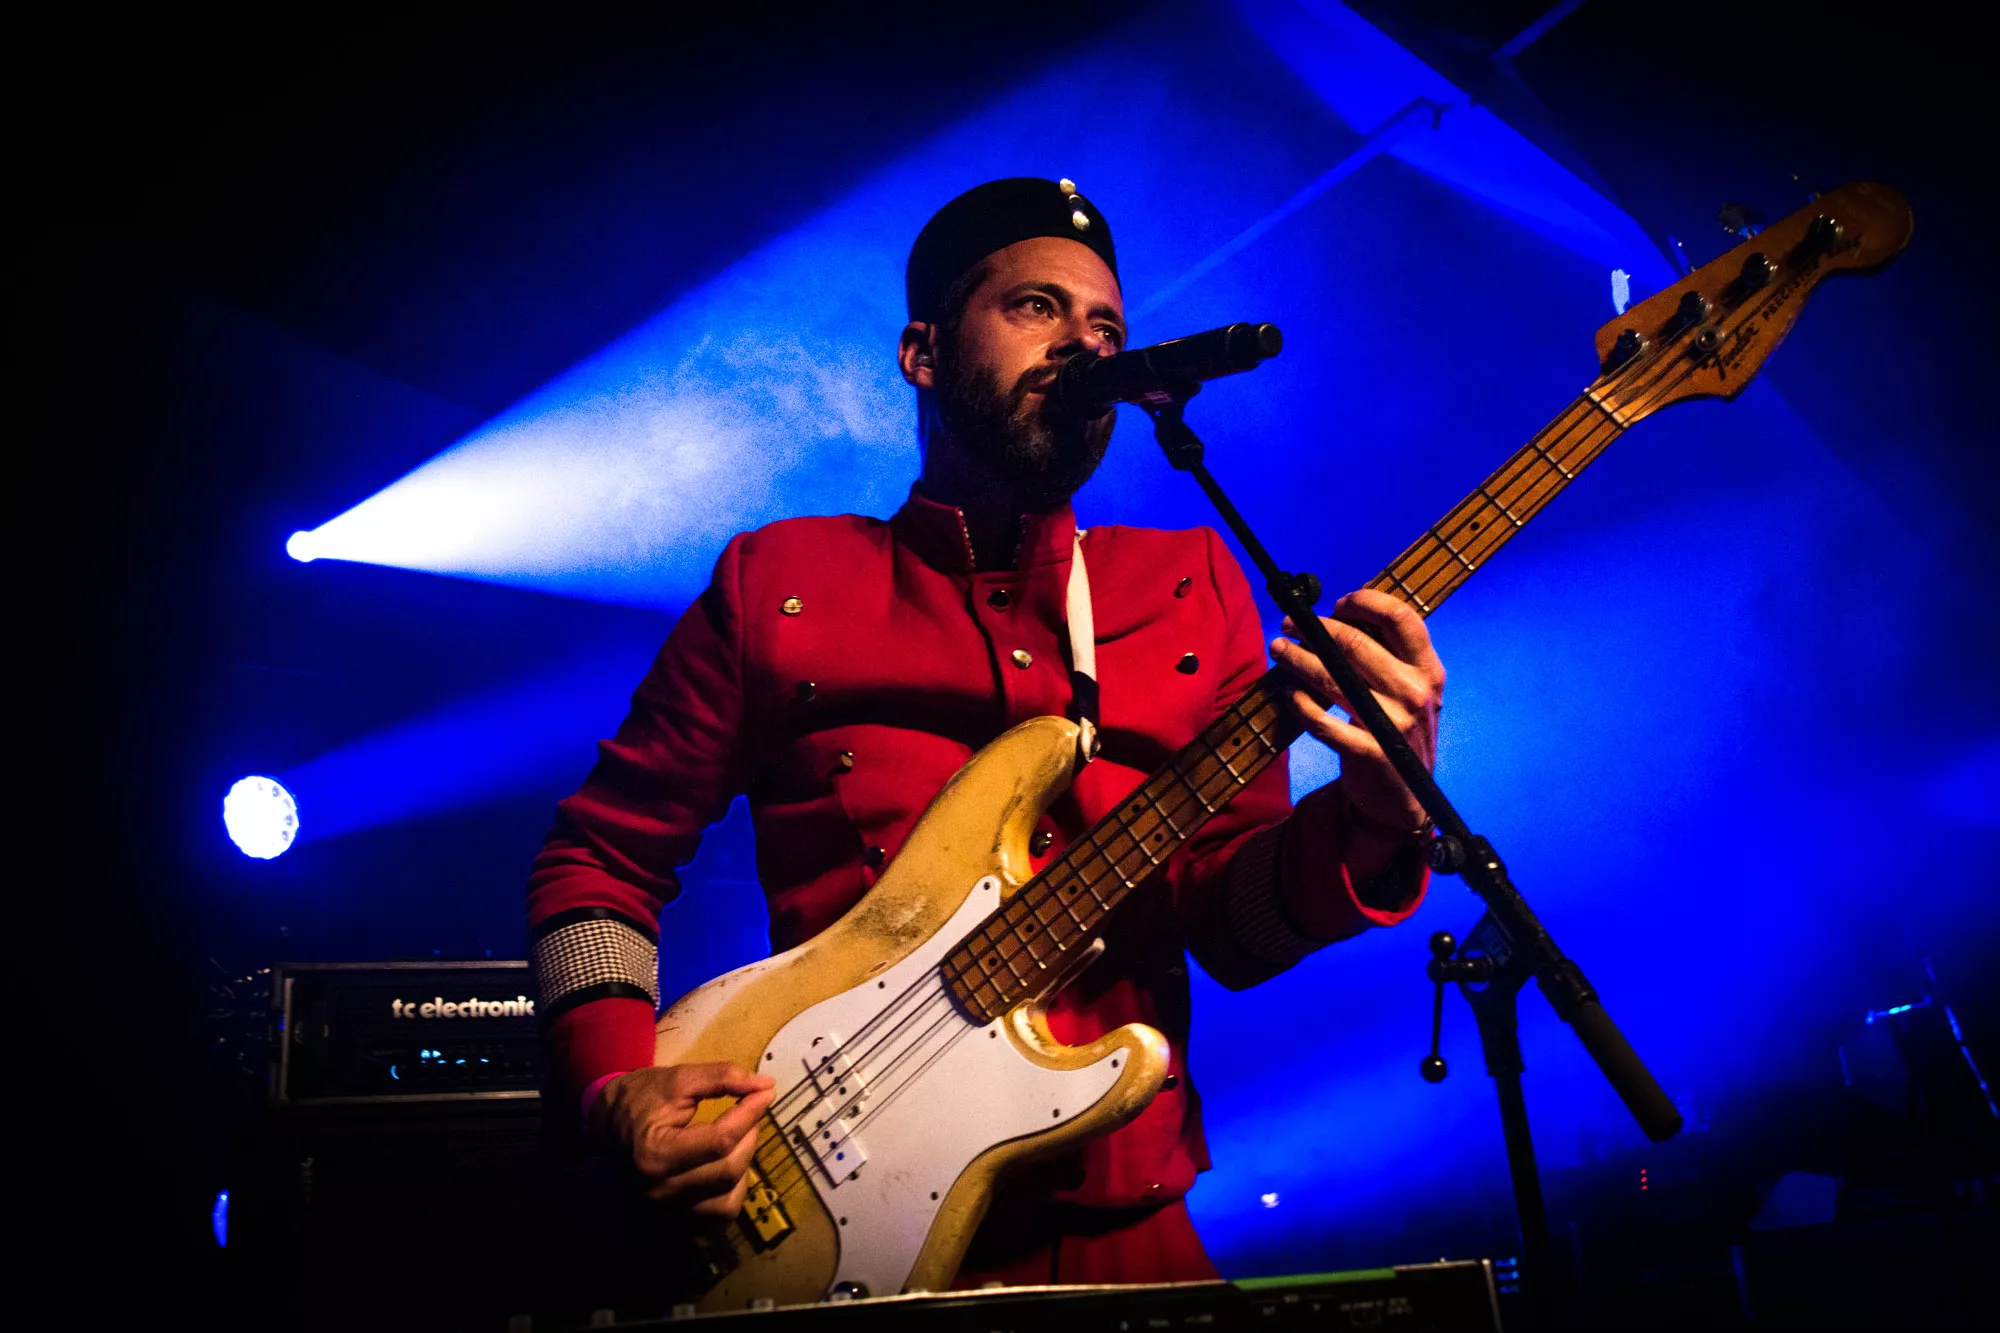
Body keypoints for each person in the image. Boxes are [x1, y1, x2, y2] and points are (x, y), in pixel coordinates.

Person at [526, 177, 1445, 1287]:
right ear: (922, 353)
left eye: (1106, 328)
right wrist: (613, 1083)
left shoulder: (1188, 586)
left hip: (1131, 1238)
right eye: (1034, 307)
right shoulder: (781, 583)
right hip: (819, 1227)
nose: (1083, 344)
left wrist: (1373, 821)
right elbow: (598, 862)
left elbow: (1234, 924)